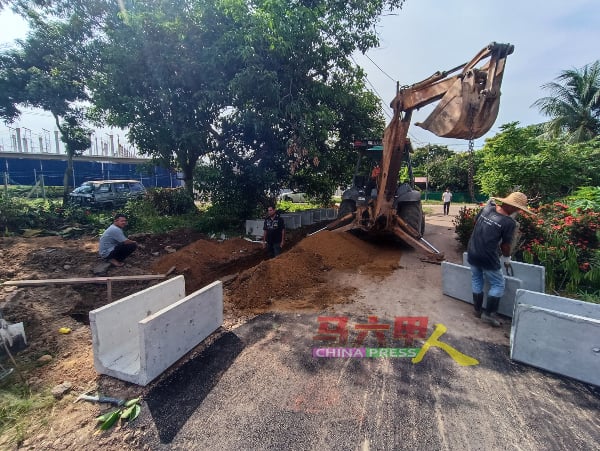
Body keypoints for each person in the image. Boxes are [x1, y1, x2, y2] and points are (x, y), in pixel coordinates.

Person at [467, 192, 534, 326]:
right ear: (512, 206)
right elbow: (505, 245)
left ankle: (477, 310)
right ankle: (489, 314)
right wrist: (507, 257)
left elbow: (476, 222)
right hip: (488, 257)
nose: (518, 210)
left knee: (476, 278)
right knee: (498, 284)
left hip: (472, 250)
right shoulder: (509, 222)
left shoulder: (487, 209)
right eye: (517, 208)